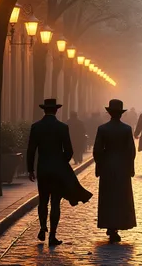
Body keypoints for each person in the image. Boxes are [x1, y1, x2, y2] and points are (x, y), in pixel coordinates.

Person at [27, 99, 92, 245]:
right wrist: (62, 162)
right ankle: (53, 235)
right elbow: (69, 150)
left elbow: (31, 150)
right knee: (55, 202)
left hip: (43, 168)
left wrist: (30, 169)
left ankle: (43, 227)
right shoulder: (62, 127)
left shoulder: (36, 127)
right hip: (57, 169)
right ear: (56, 110)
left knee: (43, 200)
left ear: (44, 110)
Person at [93, 99, 137, 243]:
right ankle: (118, 225)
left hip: (107, 166)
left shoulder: (102, 129)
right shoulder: (126, 129)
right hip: (122, 167)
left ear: (109, 113)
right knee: (121, 198)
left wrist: (99, 166)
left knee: (108, 197)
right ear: (121, 114)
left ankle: (110, 225)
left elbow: (97, 151)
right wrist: (131, 167)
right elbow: (131, 150)